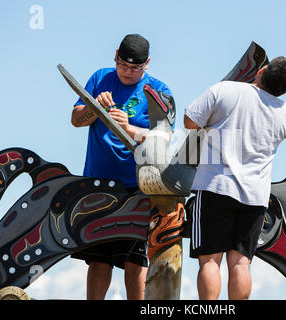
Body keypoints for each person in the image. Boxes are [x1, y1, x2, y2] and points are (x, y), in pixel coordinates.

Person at [184, 56, 286, 300]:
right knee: (240, 265)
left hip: (216, 186)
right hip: (255, 196)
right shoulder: (285, 115)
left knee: (209, 261)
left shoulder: (226, 90)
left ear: (263, 70)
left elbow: (190, 121)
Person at [70, 34, 172, 300]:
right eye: (123, 65)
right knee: (98, 258)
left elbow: (165, 138)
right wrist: (95, 108)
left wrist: (129, 129)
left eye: (135, 68)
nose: (127, 72)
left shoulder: (159, 91)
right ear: (115, 56)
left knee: (134, 258)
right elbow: (76, 120)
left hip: (137, 186)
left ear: (147, 64)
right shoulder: (100, 78)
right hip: (97, 183)